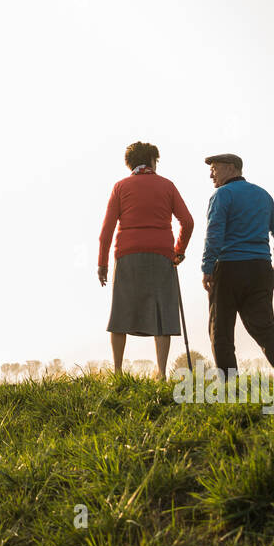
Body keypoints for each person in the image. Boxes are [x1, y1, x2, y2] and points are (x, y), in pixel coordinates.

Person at [98, 141, 194, 378]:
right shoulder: (167, 186)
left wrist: (102, 263)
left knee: (120, 314)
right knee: (162, 313)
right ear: (152, 160)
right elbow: (188, 222)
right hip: (162, 254)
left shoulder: (120, 187)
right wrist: (178, 250)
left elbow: (107, 230)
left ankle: (118, 372)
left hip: (128, 254)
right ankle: (161, 373)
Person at [199, 153, 274, 376]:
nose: (210, 174)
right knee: (264, 327)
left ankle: (229, 385)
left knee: (221, 330)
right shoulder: (263, 195)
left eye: (214, 168)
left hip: (229, 269)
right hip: (260, 269)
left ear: (231, 168)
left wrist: (207, 268)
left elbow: (214, 234)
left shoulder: (222, 195)